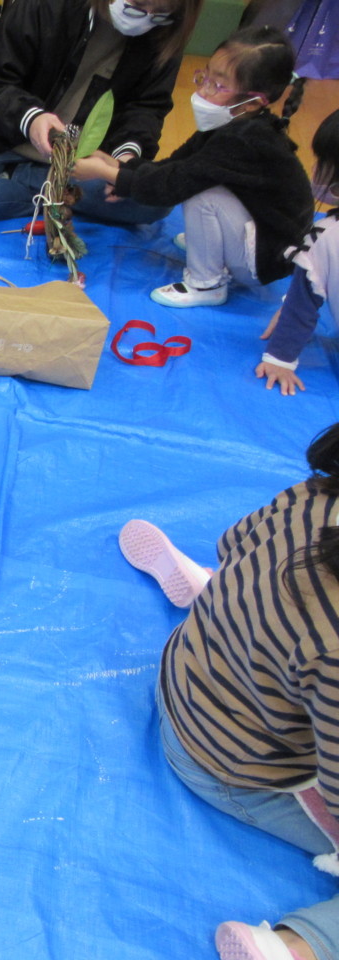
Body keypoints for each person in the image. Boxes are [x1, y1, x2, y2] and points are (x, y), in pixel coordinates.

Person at [119, 423, 339, 960]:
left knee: (264, 599)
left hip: (191, 665)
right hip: (229, 766)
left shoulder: (315, 496)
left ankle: (208, 587)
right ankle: (295, 946)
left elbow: (234, 543)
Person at [76, 26, 314, 308]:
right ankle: (213, 246)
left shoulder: (244, 140)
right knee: (198, 177)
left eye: (217, 85)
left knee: (203, 194)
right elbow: (174, 166)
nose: (203, 89)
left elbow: (171, 186)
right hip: (262, 233)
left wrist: (106, 173)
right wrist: (118, 166)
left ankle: (206, 284)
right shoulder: (230, 124)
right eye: (205, 77)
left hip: (266, 258)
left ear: (252, 103)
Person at [0, 0, 201, 227]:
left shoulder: (164, 35)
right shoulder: (44, 7)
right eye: (136, 7)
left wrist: (126, 156)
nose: (146, 19)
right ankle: (56, 194)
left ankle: (28, 184)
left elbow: (147, 107)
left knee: (154, 203)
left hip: (80, 162)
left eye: (160, 15)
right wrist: (31, 118)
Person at [256, 109, 339, 396]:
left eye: (323, 162)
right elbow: (300, 302)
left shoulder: (326, 237)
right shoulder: (326, 237)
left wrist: (279, 358)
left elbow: (302, 306)